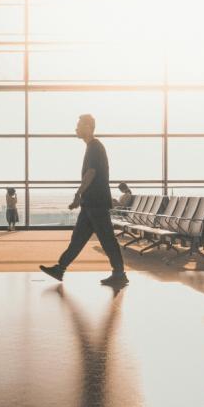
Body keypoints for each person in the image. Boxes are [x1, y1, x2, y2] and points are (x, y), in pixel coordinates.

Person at [40, 114, 129, 287]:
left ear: (88, 127)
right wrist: (81, 197)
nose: (76, 128)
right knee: (78, 238)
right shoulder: (92, 147)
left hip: (96, 203)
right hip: (91, 203)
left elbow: (91, 173)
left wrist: (78, 194)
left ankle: (119, 273)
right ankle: (60, 268)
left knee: (107, 238)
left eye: (79, 125)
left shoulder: (95, 146)